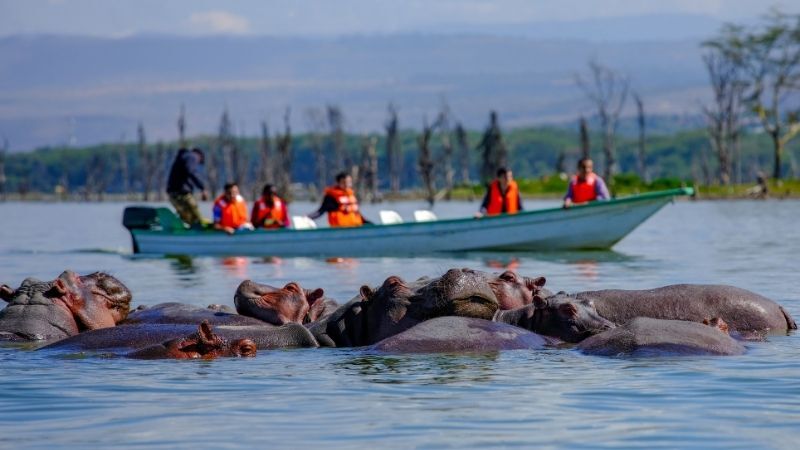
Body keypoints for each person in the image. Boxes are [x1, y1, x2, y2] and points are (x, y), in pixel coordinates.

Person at [166, 147, 210, 227]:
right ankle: (200, 234)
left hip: (173, 194)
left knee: (188, 219)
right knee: (197, 219)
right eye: (199, 162)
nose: (197, 163)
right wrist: (202, 188)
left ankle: (191, 232)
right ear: (200, 156)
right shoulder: (192, 156)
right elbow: (191, 171)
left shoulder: (183, 157)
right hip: (183, 194)